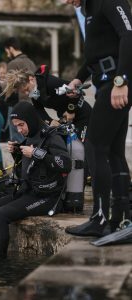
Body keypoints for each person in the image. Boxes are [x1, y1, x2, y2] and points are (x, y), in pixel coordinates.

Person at [65, 0, 132, 237]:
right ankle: (123, 218)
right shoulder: (89, 8)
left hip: (116, 83)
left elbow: (128, 36)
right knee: (113, 152)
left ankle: (100, 217)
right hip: (105, 83)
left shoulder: (109, 0)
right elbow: (97, 51)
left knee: (94, 147)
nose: (65, 1)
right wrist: (78, 78)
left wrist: (121, 81)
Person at [0, 101, 71, 258]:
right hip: (27, 191)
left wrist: (36, 154)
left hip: (48, 197)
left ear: (31, 119)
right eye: (16, 126)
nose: (19, 130)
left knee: (0, 215)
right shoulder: (29, 137)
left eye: (21, 125)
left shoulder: (51, 136)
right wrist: (17, 153)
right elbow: (28, 169)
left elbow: (66, 164)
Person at [2, 67, 92, 140]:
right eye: (23, 92)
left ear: (31, 79)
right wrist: (50, 121)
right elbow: (38, 108)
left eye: (26, 89)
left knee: (84, 144)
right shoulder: (35, 92)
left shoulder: (50, 83)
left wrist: (70, 111)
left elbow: (76, 91)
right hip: (66, 118)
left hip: (82, 113)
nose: (26, 93)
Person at [4, 37, 37, 142]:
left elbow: (9, 88)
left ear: (11, 48)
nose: (7, 54)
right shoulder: (31, 62)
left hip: (16, 105)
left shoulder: (13, 64)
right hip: (32, 103)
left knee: (17, 140)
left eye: (7, 51)